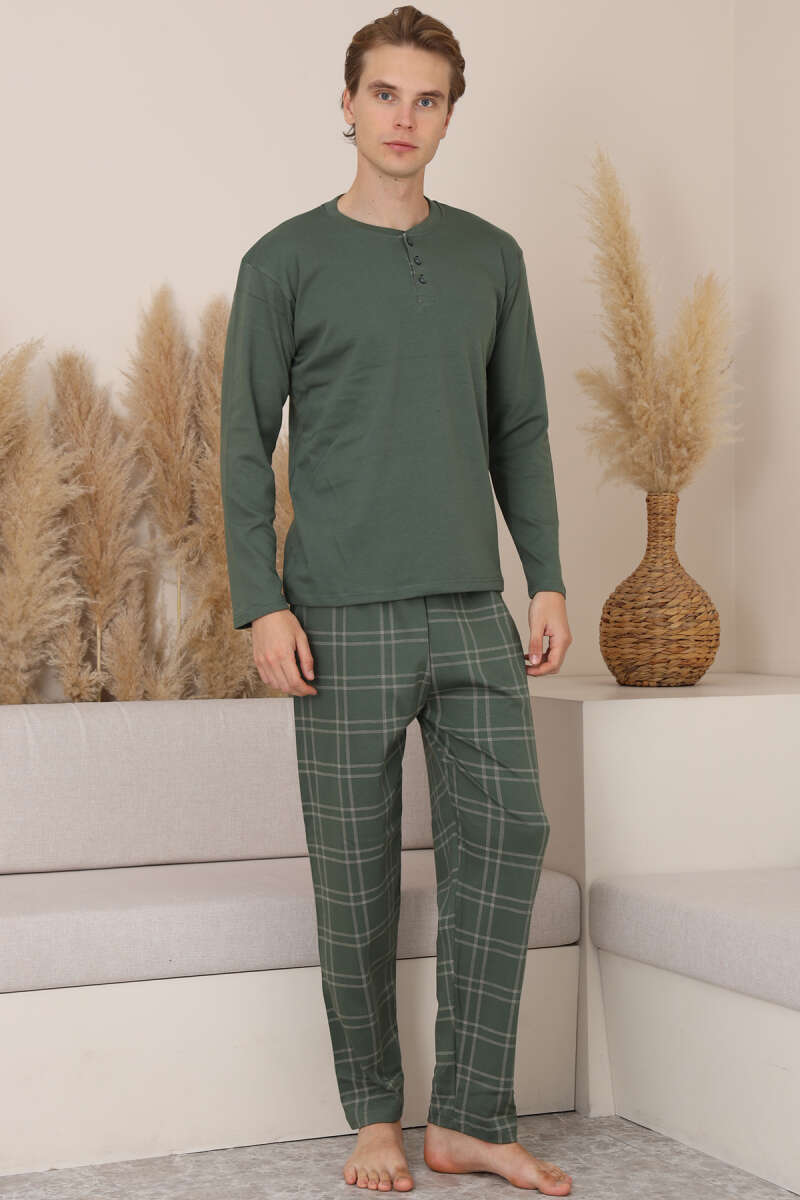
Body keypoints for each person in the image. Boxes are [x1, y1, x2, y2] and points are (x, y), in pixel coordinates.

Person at [219, 6, 573, 1192]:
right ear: (347, 103)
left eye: (426, 99)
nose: (403, 118)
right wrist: (260, 602)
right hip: (335, 616)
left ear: (449, 115)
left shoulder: (489, 256)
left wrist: (546, 575)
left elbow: (519, 430)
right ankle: (373, 1114)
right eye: (384, 94)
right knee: (353, 872)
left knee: (506, 840)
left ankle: (468, 1115)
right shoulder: (282, 260)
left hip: (472, 607)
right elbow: (239, 443)